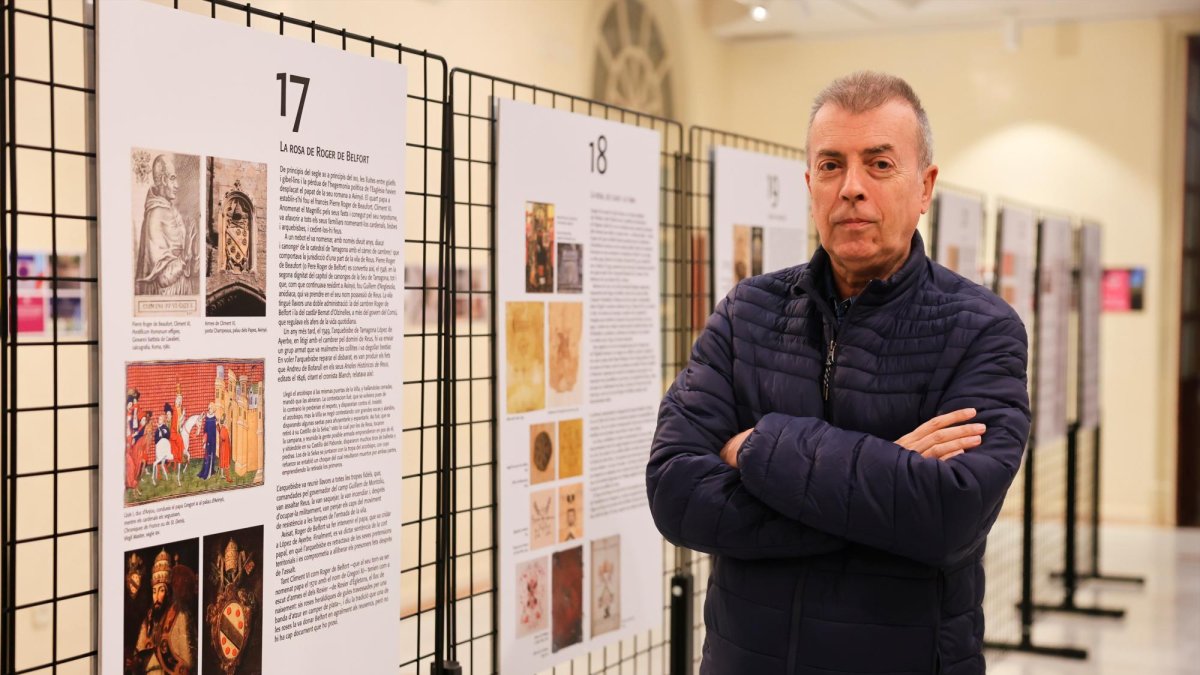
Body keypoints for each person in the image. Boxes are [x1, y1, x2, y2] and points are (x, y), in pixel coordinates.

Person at [647, 71, 1030, 675]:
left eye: (879, 164)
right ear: (809, 183)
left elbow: (947, 519)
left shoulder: (982, 329)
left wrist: (759, 447)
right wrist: (884, 481)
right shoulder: (747, 311)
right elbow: (674, 493)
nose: (851, 188)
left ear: (924, 186)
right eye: (831, 166)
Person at [135, 154, 197, 296]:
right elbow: (163, 279)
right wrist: (186, 255)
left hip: (182, 291)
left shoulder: (173, 212)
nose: (177, 185)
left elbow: (190, 268)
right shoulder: (155, 215)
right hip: (167, 294)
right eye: (172, 178)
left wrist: (193, 252)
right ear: (163, 179)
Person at [129, 549, 194, 675]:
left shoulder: (179, 614)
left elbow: (187, 660)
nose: (157, 597)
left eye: (161, 590)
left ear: (168, 592)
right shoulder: (148, 620)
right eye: (154, 591)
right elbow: (138, 652)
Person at [198, 402, 218, 480]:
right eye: (209, 408)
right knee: (207, 456)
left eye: (210, 408)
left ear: (213, 409)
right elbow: (205, 430)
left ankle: (211, 471)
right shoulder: (206, 417)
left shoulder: (214, 418)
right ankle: (206, 473)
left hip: (213, 439)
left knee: (212, 455)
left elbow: (215, 430)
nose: (209, 409)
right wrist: (204, 439)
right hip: (208, 440)